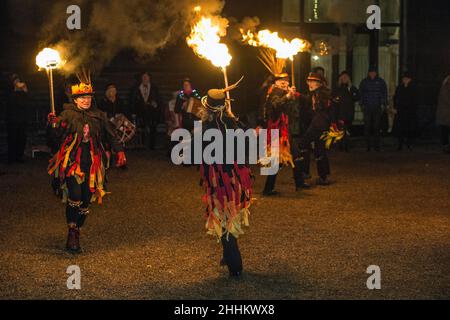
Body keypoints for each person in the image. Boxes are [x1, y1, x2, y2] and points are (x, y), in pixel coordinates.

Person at [47, 76, 127, 253]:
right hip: (73, 162)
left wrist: (119, 151)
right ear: (75, 99)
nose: (86, 100)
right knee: (74, 196)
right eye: (82, 98)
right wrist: (53, 125)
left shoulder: (99, 116)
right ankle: (72, 231)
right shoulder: (67, 114)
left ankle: (77, 228)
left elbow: (111, 135)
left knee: (85, 201)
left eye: (88, 97)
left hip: (92, 164)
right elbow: (55, 138)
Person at [197, 83, 253, 278]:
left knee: (224, 219)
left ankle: (235, 265)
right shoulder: (232, 123)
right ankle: (228, 256)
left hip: (221, 181)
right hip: (236, 179)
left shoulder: (208, 128)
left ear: (207, 108)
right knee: (229, 217)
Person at [261, 72, 300, 196]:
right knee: (278, 159)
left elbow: (292, 112)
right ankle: (268, 188)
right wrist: (288, 96)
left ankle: (299, 183)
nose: (284, 82)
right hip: (276, 130)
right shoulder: (275, 92)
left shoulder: (281, 92)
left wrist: (291, 96)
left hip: (282, 129)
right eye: (280, 80)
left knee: (293, 154)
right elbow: (276, 104)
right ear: (275, 83)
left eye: (286, 80)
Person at [297, 72, 336, 186]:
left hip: (319, 125)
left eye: (313, 81)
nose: (310, 83)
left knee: (302, 145)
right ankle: (323, 177)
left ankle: (303, 173)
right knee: (320, 149)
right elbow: (308, 99)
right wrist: (297, 94)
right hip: (319, 124)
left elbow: (326, 107)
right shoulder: (315, 93)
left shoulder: (323, 94)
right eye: (309, 81)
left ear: (319, 83)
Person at [130, 72, 162, 150]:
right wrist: (133, 112)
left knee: (152, 129)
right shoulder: (136, 88)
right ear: (141, 78)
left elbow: (159, 100)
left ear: (149, 78)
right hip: (140, 112)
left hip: (152, 112)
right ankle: (142, 145)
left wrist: (156, 105)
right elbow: (132, 101)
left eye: (146, 77)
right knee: (141, 129)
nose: (145, 78)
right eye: (143, 77)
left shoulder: (154, 88)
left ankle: (152, 146)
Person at [359, 67, 388, 151]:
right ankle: (368, 145)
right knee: (367, 126)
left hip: (377, 107)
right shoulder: (364, 82)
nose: (372, 74)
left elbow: (384, 93)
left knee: (376, 126)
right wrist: (362, 104)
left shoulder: (381, 82)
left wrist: (383, 104)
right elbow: (361, 93)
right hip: (367, 107)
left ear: (376, 73)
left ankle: (376, 145)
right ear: (368, 73)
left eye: (374, 72)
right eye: (371, 72)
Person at [332, 71, 360, 152]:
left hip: (349, 113)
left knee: (347, 130)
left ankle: (346, 146)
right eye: (342, 77)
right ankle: (341, 146)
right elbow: (334, 100)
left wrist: (351, 87)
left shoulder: (351, 88)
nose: (344, 79)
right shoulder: (337, 89)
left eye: (346, 77)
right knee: (341, 130)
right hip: (340, 113)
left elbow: (357, 97)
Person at [6, 74, 30, 164]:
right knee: (12, 138)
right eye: (15, 81)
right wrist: (17, 91)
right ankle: (11, 158)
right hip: (12, 120)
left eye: (18, 80)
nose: (17, 82)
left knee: (22, 138)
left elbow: (27, 103)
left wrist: (25, 91)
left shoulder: (23, 93)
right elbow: (11, 103)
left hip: (22, 119)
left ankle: (19, 156)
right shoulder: (10, 92)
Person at [393, 72, 418, 151]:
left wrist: (414, 109)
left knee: (409, 128)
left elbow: (415, 100)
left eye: (406, 79)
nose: (405, 80)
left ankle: (408, 144)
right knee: (400, 128)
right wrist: (395, 107)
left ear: (410, 79)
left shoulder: (413, 88)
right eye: (404, 79)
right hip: (401, 110)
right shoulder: (399, 88)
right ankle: (400, 144)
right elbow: (395, 98)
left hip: (410, 111)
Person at [436, 76, 450, 154]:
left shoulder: (444, 87)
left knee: (445, 130)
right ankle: (446, 147)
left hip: (445, 114)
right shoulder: (445, 88)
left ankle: (446, 146)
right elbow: (447, 100)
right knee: (445, 131)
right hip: (446, 114)